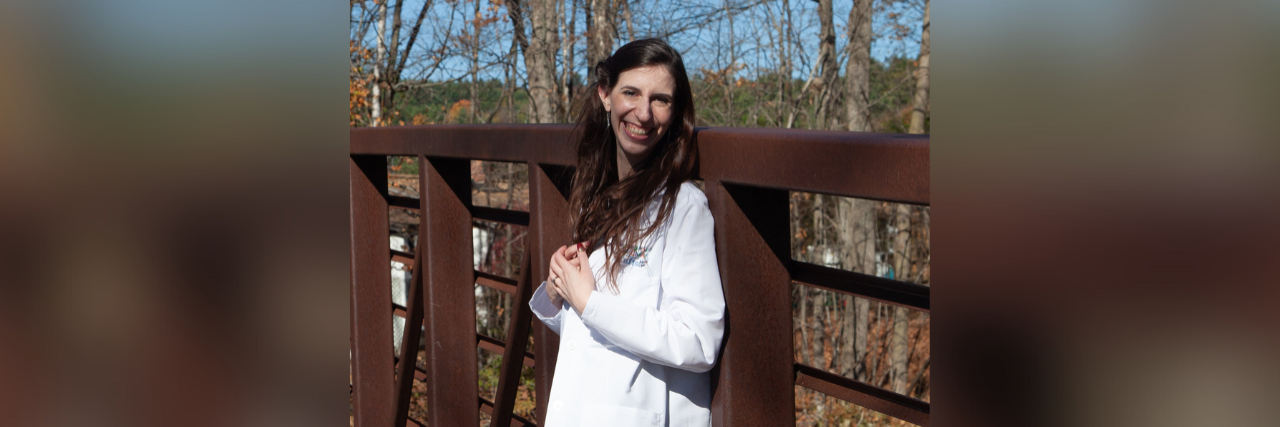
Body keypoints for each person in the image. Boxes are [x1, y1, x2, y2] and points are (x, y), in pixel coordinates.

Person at [528, 38, 725, 427]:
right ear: (605, 94)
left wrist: (590, 302)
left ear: (675, 112)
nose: (643, 113)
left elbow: (698, 341)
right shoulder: (597, 195)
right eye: (631, 92)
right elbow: (597, 334)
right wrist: (558, 291)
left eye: (661, 99)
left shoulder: (681, 206)